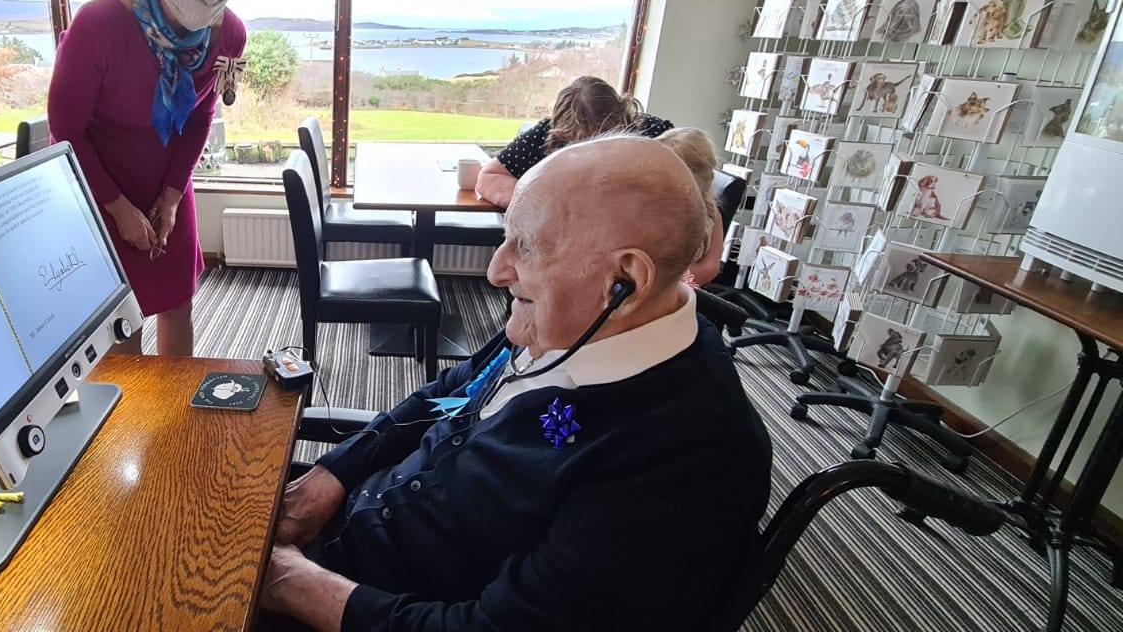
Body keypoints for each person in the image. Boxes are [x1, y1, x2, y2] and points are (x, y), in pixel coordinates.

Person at [259, 136, 773, 631]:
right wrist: (334, 474)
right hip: (348, 524)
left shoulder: (686, 461)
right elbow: (451, 394)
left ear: (625, 282)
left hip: (359, 602)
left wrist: (288, 581)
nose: (496, 270)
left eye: (526, 247)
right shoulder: (570, 322)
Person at [48, 0, 252, 357]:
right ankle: (127, 404)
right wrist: (118, 208)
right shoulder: (97, 25)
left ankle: (175, 401)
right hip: (97, 183)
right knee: (122, 320)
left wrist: (174, 194)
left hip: (169, 181)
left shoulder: (231, 35)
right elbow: (66, 132)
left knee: (177, 304)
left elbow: (201, 113)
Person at [474, 76, 674, 208]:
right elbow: (491, 176)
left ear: (623, 117)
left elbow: (686, 190)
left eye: (605, 138)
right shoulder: (545, 134)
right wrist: (540, 205)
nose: (594, 152)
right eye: (582, 141)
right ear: (561, 129)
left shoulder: (655, 134)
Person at [658, 127, 727, 287]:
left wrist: (669, 284)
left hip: (676, 289)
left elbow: (710, 267)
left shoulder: (710, 212)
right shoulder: (654, 205)